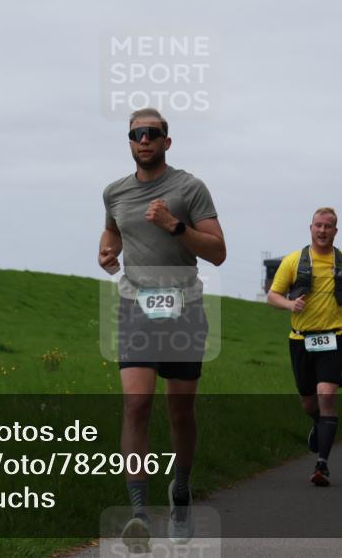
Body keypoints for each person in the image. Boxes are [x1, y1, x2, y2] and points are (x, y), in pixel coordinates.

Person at [100, 108, 226, 547]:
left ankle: (181, 488)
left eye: (153, 133)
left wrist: (175, 226)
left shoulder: (189, 187)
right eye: (137, 133)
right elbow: (112, 235)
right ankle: (138, 513)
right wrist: (107, 253)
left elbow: (218, 251)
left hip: (183, 306)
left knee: (179, 411)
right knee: (136, 406)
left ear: (166, 142)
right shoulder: (114, 192)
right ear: (130, 141)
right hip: (135, 305)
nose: (145, 139)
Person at [267, 207, 342, 487]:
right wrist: (290, 304)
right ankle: (318, 424)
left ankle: (322, 464)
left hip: (335, 337)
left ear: (335, 231)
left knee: (326, 394)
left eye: (328, 226)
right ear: (310, 228)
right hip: (301, 339)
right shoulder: (293, 261)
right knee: (308, 402)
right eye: (318, 226)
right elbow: (273, 295)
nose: (323, 230)